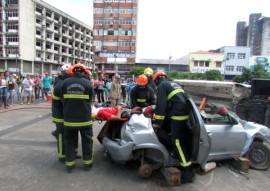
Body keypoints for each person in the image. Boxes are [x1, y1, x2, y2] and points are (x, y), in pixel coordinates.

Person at [152, 70, 195, 184]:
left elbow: (161, 104)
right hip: (183, 113)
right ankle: (181, 159)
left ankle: (188, 171)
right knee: (180, 138)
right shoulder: (173, 83)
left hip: (177, 114)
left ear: (156, 80)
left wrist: (158, 122)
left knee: (177, 142)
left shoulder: (161, 85)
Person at [60, 63, 93, 173]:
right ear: (83, 72)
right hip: (85, 119)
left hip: (69, 119)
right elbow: (90, 100)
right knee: (87, 141)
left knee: (69, 142)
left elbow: (62, 99)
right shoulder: (88, 83)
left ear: (73, 71)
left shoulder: (65, 83)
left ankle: (69, 165)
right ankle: (87, 164)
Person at [52, 64, 72, 162]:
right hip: (59, 115)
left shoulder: (62, 82)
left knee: (66, 135)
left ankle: (69, 153)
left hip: (63, 114)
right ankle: (62, 156)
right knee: (61, 136)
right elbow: (64, 101)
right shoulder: (60, 84)